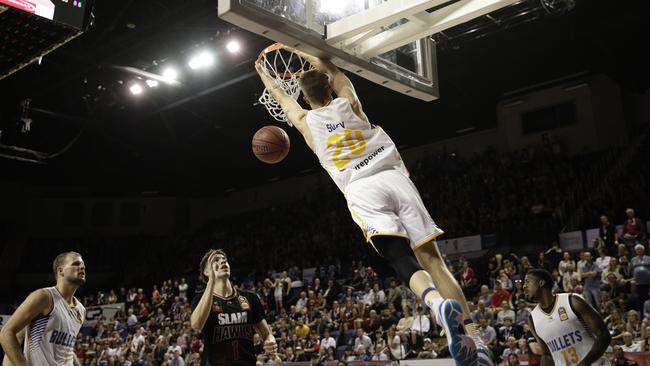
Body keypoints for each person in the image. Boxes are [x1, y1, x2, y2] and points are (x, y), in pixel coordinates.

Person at [255, 45, 485, 366]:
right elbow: (332, 70)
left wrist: (263, 70)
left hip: (362, 188)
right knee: (434, 260)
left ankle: (436, 305)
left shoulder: (306, 121)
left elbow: (280, 96)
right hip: (393, 176)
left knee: (399, 257)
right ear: (328, 86)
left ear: (306, 98)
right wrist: (300, 48)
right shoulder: (349, 103)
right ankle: (475, 338)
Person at [190, 249, 276, 365]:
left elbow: (266, 334)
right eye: (216, 260)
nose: (222, 262)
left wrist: (271, 341)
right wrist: (211, 282)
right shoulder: (200, 299)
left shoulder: (250, 297)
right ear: (206, 271)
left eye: (224, 260)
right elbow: (196, 325)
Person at [0, 251, 87, 366]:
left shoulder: (81, 310)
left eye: (83, 265)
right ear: (60, 271)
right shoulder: (44, 297)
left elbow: (67, 348)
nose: (82, 267)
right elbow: (7, 333)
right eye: (76, 264)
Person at [524, 269, 611, 366]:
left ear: (541, 282)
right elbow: (547, 355)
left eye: (527, 282)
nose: (524, 286)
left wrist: (585, 363)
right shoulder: (532, 319)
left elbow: (604, 335)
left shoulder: (572, 301)